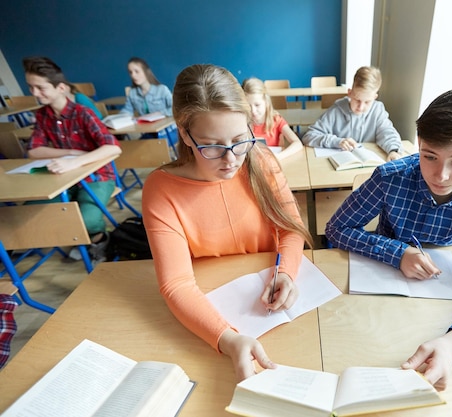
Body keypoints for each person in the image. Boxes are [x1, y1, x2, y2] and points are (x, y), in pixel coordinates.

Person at [325, 88, 452, 391]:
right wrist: (397, 253)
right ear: (418, 143)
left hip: (450, 298)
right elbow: (337, 229)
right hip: (381, 299)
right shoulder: (389, 177)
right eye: (429, 156)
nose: (441, 174)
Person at [141, 64, 312, 381]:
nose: (231, 159)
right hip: (212, 319)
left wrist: (287, 272)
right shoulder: (161, 189)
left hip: (276, 313)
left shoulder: (261, 161)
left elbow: (290, 228)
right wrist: (228, 339)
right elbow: (176, 284)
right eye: (213, 146)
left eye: (240, 139)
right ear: (184, 133)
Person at [23, 56, 121, 259]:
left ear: (60, 88)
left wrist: (76, 161)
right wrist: (70, 153)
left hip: (97, 176)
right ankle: (72, 238)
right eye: (31, 87)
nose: (34, 93)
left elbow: (113, 148)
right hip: (64, 177)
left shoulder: (83, 113)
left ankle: (100, 240)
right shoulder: (43, 115)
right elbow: (34, 150)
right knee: (29, 213)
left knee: (87, 218)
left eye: (40, 88)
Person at [302, 66, 403, 161]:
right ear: (349, 93)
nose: (361, 107)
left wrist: (393, 151)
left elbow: (388, 133)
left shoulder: (377, 110)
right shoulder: (336, 111)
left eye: (367, 102)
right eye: (357, 100)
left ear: (374, 97)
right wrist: (337, 141)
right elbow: (309, 136)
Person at [242, 77, 303, 161]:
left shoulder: (276, 120)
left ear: (266, 102)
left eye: (257, 105)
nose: (253, 111)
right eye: (248, 106)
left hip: (273, 163)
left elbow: (298, 144)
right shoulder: (242, 122)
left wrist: (279, 156)